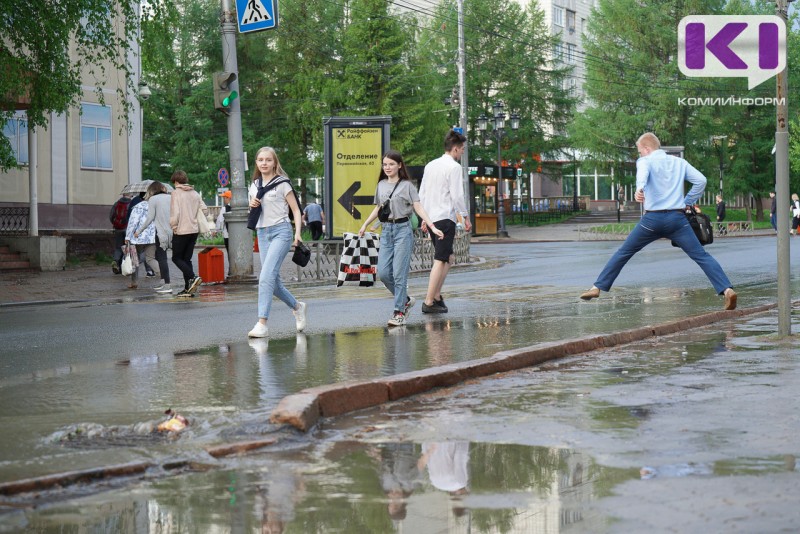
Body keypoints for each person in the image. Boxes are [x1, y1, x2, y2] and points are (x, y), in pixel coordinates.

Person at [580, 132, 737, 310]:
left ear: (647, 149)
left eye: (640, 152)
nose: (640, 155)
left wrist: (639, 188)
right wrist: (687, 202)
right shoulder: (679, 162)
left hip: (651, 220)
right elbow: (701, 180)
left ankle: (597, 287)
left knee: (624, 252)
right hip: (677, 219)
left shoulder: (645, 161)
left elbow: (643, 175)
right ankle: (726, 290)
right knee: (701, 256)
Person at [358, 150, 443, 327]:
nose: (387, 167)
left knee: (399, 274)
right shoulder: (381, 185)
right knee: (382, 273)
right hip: (387, 231)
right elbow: (379, 208)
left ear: (399, 165)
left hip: (403, 231)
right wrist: (365, 224)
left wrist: (432, 226)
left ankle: (399, 312)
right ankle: (404, 300)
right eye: (385, 164)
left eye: (391, 164)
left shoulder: (407, 186)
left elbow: (418, 208)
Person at [247, 146, 307, 338]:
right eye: (260, 160)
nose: (264, 163)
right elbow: (256, 211)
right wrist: (252, 204)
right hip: (263, 233)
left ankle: (262, 323)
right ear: (256, 163)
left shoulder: (283, 184)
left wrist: (297, 233)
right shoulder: (255, 185)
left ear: (275, 162)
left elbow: (296, 210)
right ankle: (297, 307)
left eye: (268, 160)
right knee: (273, 282)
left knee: (265, 277)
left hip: (281, 231)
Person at [418, 130, 472, 314]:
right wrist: (465, 216)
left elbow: (422, 193)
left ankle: (437, 295)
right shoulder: (454, 168)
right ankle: (429, 301)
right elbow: (457, 195)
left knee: (448, 257)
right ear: (455, 149)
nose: (462, 152)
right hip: (444, 219)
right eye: (462, 149)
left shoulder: (431, 165)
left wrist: (424, 219)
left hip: (432, 218)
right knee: (441, 259)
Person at [169, 170, 208, 297]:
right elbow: (205, 210)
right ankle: (188, 288)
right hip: (194, 230)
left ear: (175, 181)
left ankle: (193, 277)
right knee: (186, 259)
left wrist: (174, 226)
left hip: (181, 230)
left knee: (176, 258)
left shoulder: (176, 193)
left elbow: (176, 213)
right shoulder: (195, 193)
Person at [138, 181, 173, 294]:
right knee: (174, 257)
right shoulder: (170, 197)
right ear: (163, 188)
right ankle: (164, 282)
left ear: (152, 190)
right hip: (173, 231)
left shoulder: (153, 200)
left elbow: (150, 218)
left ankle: (167, 284)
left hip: (161, 233)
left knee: (162, 258)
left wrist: (139, 230)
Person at [124, 192, 159, 290]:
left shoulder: (138, 206)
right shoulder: (155, 206)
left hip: (137, 237)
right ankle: (164, 277)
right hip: (152, 237)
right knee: (151, 259)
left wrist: (127, 237)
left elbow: (133, 222)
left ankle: (134, 282)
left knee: (135, 260)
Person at [109, 193, 132, 274]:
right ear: (130, 194)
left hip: (118, 229)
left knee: (119, 247)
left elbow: (111, 216)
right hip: (128, 229)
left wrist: (116, 224)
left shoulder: (117, 203)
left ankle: (115, 261)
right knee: (127, 248)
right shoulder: (132, 203)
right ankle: (124, 267)